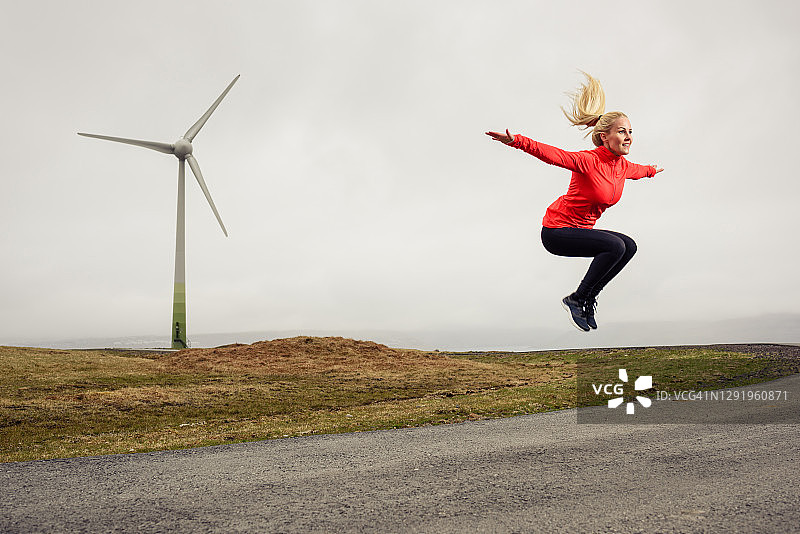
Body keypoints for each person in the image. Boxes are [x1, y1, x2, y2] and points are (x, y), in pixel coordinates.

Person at [486, 72, 664, 332]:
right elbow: (552, 155)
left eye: (630, 132)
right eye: (622, 131)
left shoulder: (622, 167)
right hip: (557, 232)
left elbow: (637, 170)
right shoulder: (587, 160)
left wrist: (650, 170)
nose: (628, 137)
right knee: (615, 246)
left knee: (629, 246)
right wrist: (516, 141)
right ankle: (578, 298)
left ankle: (588, 297)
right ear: (605, 136)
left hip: (580, 231)